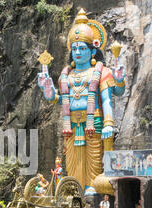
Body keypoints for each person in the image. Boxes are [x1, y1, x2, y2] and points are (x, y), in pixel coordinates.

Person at [37, 9, 126, 196]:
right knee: (73, 161)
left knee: (94, 161)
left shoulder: (102, 72)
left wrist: (109, 123)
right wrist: (48, 90)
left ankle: (93, 189)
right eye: (74, 48)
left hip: (94, 124)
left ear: (93, 50)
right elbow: (61, 99)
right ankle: (74, 189)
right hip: (72, 126)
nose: (77, 52)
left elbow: (107, 99)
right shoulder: (66, 75)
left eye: (82, 48)